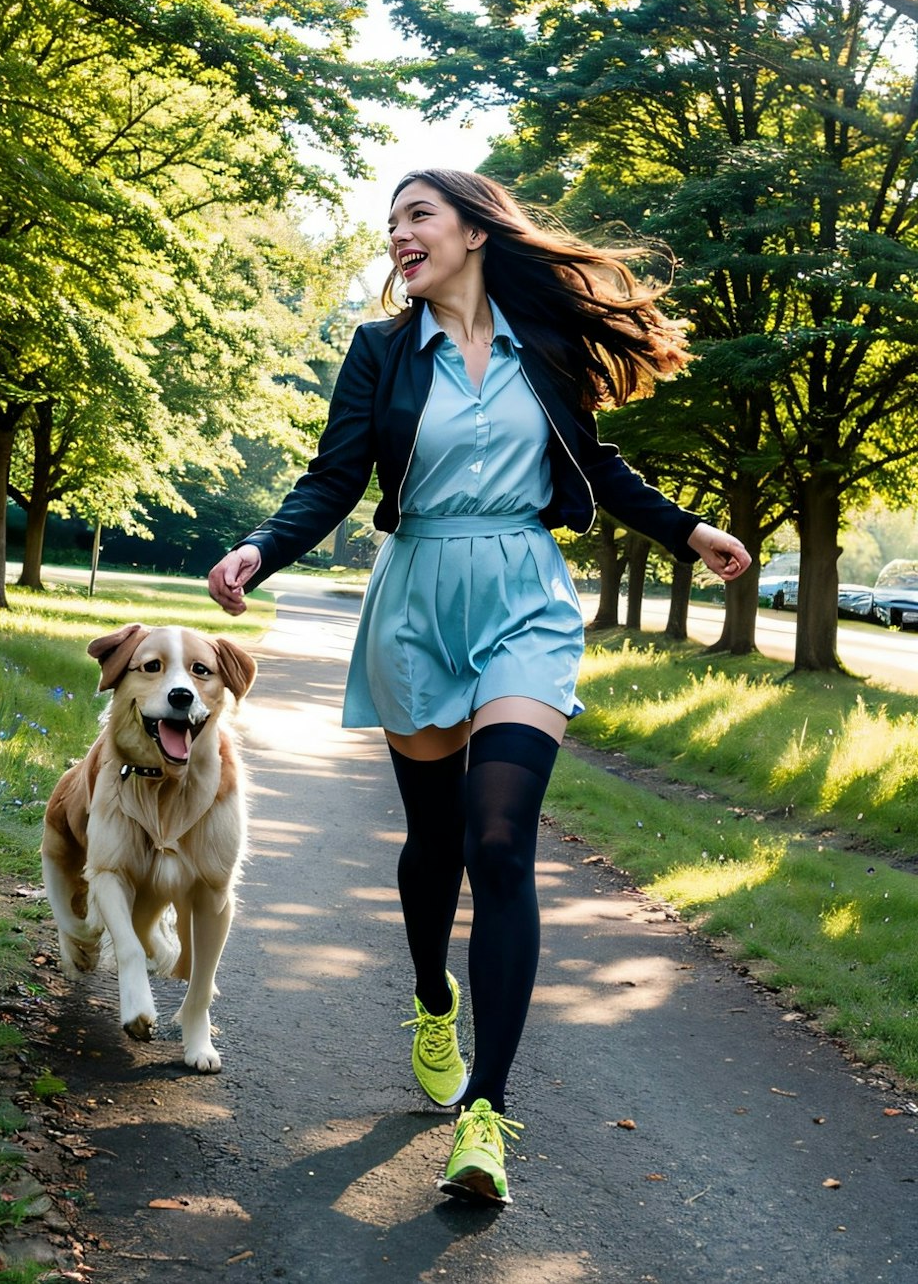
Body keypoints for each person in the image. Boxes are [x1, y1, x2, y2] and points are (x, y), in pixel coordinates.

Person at [208, 168, 750, 1206]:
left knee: (500, 839)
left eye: (417, 216)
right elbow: (333, 478)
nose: (398, 236)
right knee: (437, 841)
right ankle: (428, 996)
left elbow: (597, 467)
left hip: (522, 597)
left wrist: (688, 528)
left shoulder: (540, 345)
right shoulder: (378, 351)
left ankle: (486, 1116)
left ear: (472, 231)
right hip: (416, 594)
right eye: (391, 223)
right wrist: (255, 551)